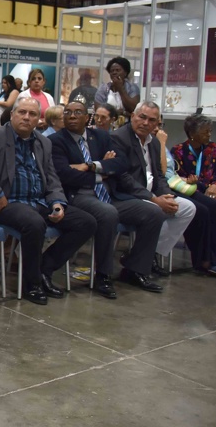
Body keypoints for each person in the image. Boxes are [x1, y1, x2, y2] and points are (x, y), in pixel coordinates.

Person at [0, 97, 97, 305]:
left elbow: (52, 177)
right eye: (22, 112)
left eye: (32, 114)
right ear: (13, 114)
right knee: (34, 223)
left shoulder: (43, 142)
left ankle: (44, 269)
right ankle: (31, 284)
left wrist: (57, 202)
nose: (27, 117)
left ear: (39, 119)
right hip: (6, 204)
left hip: (38, 202)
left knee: (86, 222)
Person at [51, 101, 167, 298]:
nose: (72, 116)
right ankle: (103, 275)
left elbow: (121, 164)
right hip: (79, 196)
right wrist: (103, 170)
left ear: (87, 118)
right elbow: (65, 174)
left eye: (78, 112)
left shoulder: (102, 136)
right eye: (68, 112)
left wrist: (90, 166)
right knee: (108, 213)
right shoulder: (56, 140)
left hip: (110, 195)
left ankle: (135, 269)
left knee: (154, 212)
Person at [111, 101, 196, 279]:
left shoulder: (154, 143)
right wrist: (154, 199)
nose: (146, 123)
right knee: (155, 211)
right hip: (124, 197)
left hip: (150, 196)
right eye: (142, 117)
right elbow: (123, 178)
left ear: (157, 124)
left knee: (187, 207)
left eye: (152, 120)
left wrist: (167, 196)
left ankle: (146, 257)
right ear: (132, 116)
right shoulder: (119, 138)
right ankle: (136, 270)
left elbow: (159, 175)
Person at [170, 114, 216, 275]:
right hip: (194, 190)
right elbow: (177, 179)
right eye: (205, 132)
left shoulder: (213, 148)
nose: (209, 135)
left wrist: (215, 185)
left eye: (210, 131)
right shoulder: (178, 151)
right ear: (192, 134)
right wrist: (192, 182)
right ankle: (214, 259)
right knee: (213, 208)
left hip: (214, 189)